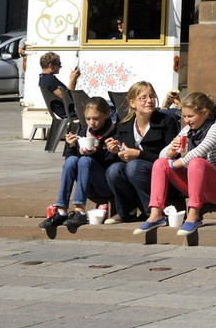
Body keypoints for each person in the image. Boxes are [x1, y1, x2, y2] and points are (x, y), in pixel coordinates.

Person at [137, 91, 216, 237]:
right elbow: (162, 156)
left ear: (204, 113)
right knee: (161, 164)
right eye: (184, 116)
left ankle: (193, 216)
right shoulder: (188, 130)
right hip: (200, 187)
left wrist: (175, 164)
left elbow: (199, 152)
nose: (186, 120)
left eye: (190, 116)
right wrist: (170, 152)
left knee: (196, 162)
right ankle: (156, 214)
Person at [39, 97, 119, 235]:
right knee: (71, 161)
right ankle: (62, 210)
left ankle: (80, 210)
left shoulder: (114, 133)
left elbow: (112, 164)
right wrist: (71, 147)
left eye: (96, 118)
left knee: (85, 161)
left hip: (105, 184)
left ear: (107, 115)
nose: (91, 123)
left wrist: (95, 153)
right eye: (88, 119)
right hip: (86, 184)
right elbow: (72, 161)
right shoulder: (84, 132)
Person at [104, 81, 178, 224]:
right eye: (143, 98)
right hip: (136, 177)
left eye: (152, 96)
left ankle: (153, 212)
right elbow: (115, 158)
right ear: (132, 103)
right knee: (114, 169)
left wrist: (138, 154)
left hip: (164, 176)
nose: (149, 101)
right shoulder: (125, 125)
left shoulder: (166, 121)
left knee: (134, 166)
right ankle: (126, 212)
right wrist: (113, 150)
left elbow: (171, 157)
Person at [36, 53, 81, 121]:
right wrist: (72, 80)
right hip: (68, 113)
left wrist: (74, 80)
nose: (60, 66)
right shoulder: (49, 80)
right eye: (59, 64)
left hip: (67, 112)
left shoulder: (44, 79)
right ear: (51, 66)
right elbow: (67, 98)